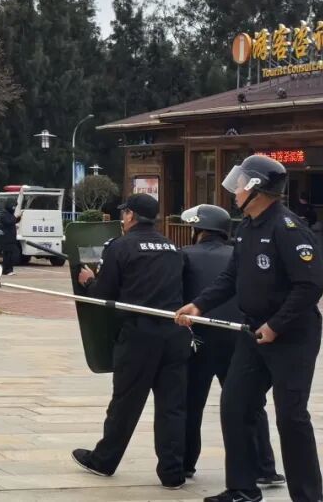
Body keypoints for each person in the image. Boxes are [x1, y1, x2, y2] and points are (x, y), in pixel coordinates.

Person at [176, 154, 323, 502]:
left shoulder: (288, 229)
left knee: (291, 417)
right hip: (252, 333)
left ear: (257, 188)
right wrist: (199, 304)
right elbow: (232, 277)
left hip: (292, 336)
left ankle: (308, 497)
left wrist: (276, 325)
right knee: (235, 406)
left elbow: (310, 286)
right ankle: (242, 489)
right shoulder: (247, 228)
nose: (236, 189)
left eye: (241, 183)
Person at [71, 193, 190, 490]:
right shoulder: (173, 247)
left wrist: (88, 281)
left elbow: (104, 295)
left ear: (130, 216)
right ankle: (172, 473)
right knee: (172, 406)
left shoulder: (120, 247)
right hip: (175, 335)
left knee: (125, 403)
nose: (122, 218)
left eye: (124, 213)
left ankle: (103, 461)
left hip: (139, 336)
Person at [178, 204, 282, 487]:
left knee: (191, 403)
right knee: (250, 404)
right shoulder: (241, 255)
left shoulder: (185, 255)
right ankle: (264, 468)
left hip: (199, 339)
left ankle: (185, 463)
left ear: (200, 231)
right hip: (239, 339)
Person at [0, 201, 20, 275]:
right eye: (13, 206)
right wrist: (15, 218)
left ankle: (10, 269)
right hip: (6, 238)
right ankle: (6, 270)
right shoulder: (4, 214)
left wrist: (18, 218)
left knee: (11, 254)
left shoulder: (10, 214)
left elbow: (13, 221)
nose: (14, 208)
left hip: (11, 238)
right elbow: (9, 222)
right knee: (7, 255)